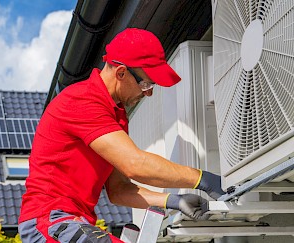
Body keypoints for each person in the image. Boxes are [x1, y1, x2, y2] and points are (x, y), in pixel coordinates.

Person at [18, 28, 225, 243]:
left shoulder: (116, 115)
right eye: (146, 84)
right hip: (49, 221)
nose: (149, 93)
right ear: (121, 73)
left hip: (75, 221)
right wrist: (202, 179)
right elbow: (135, 164)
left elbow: (119, 190)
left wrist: (173, 200)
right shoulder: (83, 101)